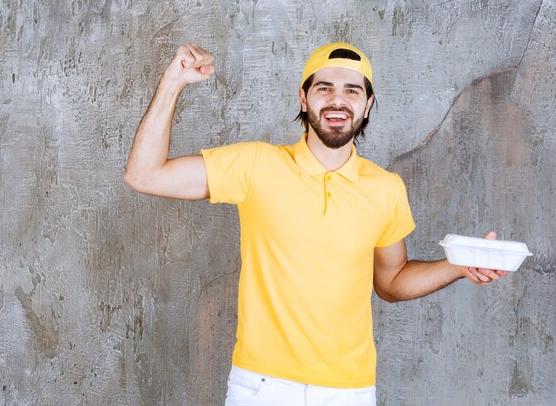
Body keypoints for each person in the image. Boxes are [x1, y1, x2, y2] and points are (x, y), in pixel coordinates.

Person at [124, 42, 507, 406]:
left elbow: (391, 283)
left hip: (349, 391)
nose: (338, 100)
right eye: (324, 87)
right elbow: (145, 175)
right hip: (262, 385)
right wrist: (173, 81)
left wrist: (458, 265)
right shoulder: (256, 165)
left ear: (368, 105)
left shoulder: (386, 189)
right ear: (303, 98)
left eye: (352, 91)